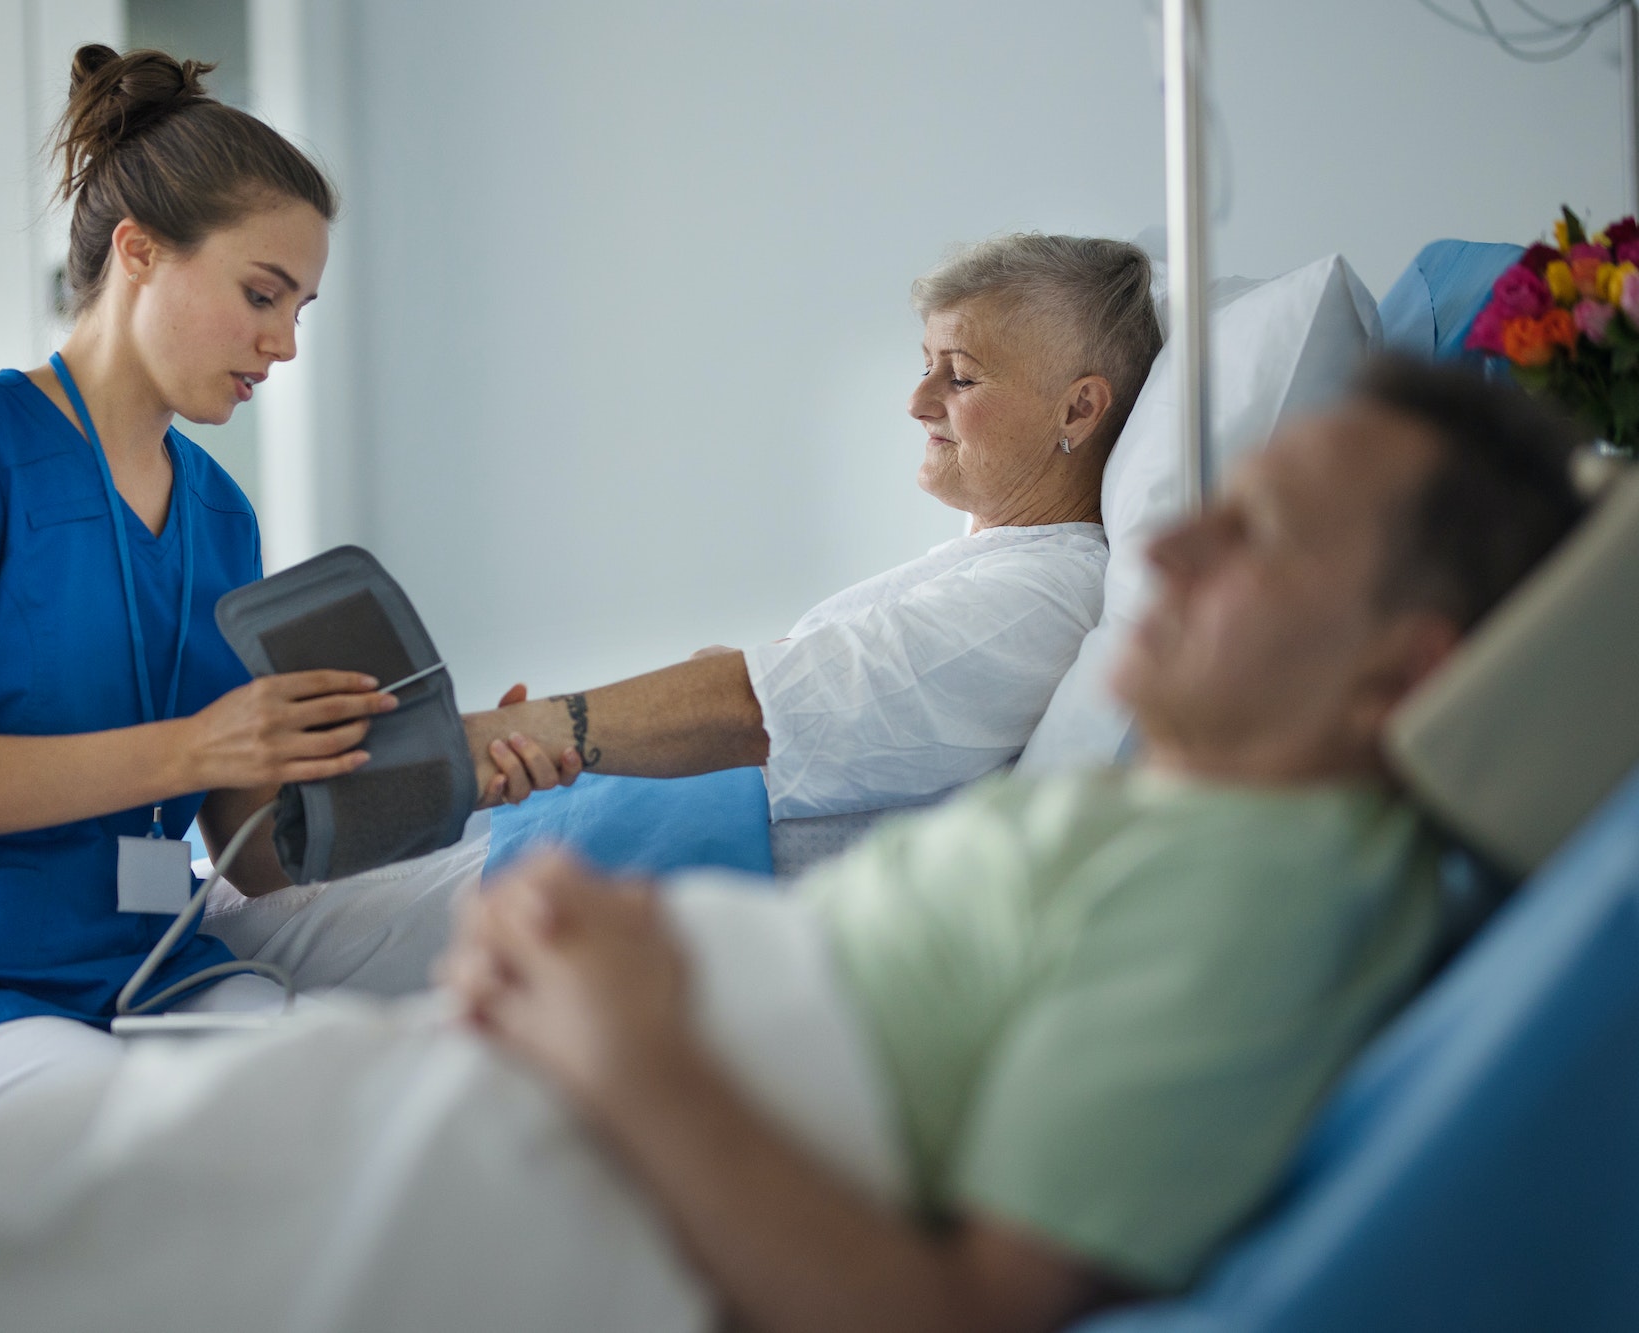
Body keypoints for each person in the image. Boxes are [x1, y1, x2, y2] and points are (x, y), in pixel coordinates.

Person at [437, 356, 1585, 1331]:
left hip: (546, 1138)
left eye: (1257, 536)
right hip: (516, 1071)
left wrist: (626, 1043)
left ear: (1395, 673)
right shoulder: (1173, 817)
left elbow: (968, 1310)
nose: (1172, 547)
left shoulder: (1266, 884)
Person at [0, 46, 533, 1114]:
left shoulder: (221, 517)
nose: (281, 343)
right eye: (261, 294)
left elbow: (255, 852)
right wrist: (195, 744)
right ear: (139, 252)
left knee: (336, 1095)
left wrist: (443, 779)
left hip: (137, 963)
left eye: (300, 309)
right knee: (127, 1131)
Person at [207, 233, 1164, 989]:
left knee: (243, 931)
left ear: (1078, 409)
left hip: (617, 882)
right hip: (606, 835)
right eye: (924, 365)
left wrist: (509, 734)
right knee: (249, 873)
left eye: (959, 376)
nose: (917, 400)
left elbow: (762, 711)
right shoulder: (990, 564)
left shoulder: (1038, 593)